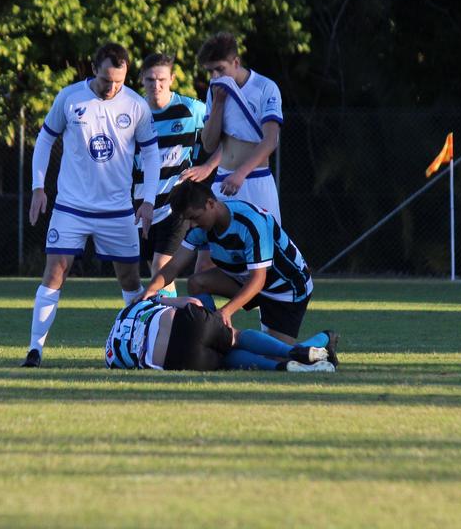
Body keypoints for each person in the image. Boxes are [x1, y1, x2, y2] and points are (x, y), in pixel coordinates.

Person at [24, 42, 163, 367]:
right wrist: (38, 186)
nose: (113, 87)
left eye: (119, 80)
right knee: (55, 272)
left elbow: (152, 152)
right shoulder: (70, 98)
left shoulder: (136, 105)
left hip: (117, 211)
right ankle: (35, 350)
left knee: (130, 280)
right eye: (106, 80)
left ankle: (136, 349)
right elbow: (45, 138)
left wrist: (148, 199)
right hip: (71, 208)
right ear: (94, 69)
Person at [141, 180, 334, 350]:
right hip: (247, 281)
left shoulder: (251, 223)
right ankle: (211, 335)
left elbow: (259, 279)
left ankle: (323, 341)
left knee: (279, 356)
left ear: (211, 204)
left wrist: (225, 311)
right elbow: (173, 266)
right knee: (197, 282)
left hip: (286, 290)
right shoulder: (200, 227)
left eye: (194, 217)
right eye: (187, 220)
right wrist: (150, 291)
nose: (191, 225)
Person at [133, 52, 218, 296]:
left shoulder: (191, 110)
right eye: (150, 79)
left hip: (176, 205)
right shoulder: (135, 111)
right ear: (142, 80)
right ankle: (171, 322)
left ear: (172, 78)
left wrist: (208, 167)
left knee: (162, 268)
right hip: (142, 205)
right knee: (156, 272)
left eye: (161, 79)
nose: (156, 85)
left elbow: (226, 135)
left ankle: (169, 326)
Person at [105, 296, 336, 372]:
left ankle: (280, 367)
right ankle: (297, 350)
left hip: (175, 360)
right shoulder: (137, 306)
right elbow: (192, 301)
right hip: (186, 324)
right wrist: (161, 299)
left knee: (225, 358)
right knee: (235, 337)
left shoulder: (110, 355)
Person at [196, 32, 283, 222]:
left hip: (254, 179)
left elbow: (270, 140)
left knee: (265, 246)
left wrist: (240, 173)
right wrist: (218, 103)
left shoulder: (265, 87)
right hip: (222, 181)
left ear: (236, 62)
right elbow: (209, 144)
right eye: (210, 71)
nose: (215, 76)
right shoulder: (214, 90)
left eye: (220, 69)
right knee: (220, 247)